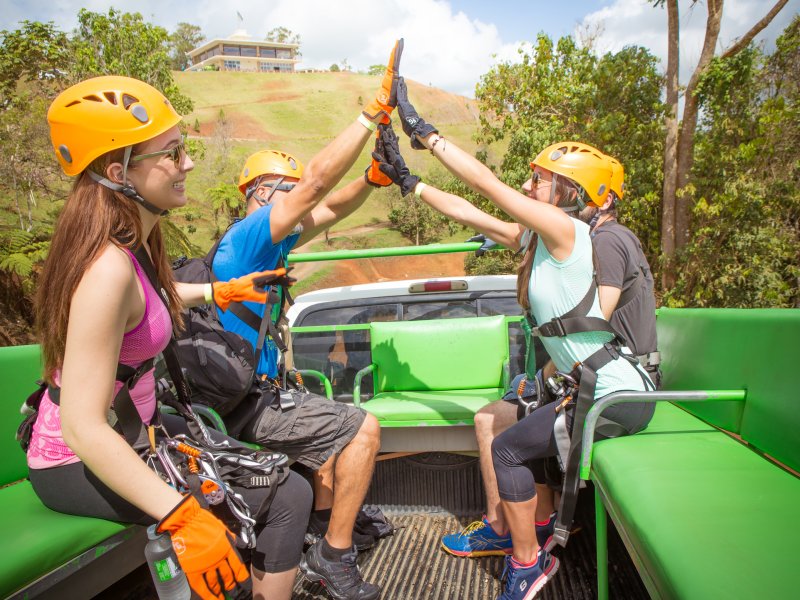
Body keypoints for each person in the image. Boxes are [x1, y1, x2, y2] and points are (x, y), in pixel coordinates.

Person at [27, 75, 314, 600]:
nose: (187, 164)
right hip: (78, 457)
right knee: (282, 499)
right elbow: (84, 429)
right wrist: (180, 516)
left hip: (141, 430)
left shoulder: (133, 241)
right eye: (172, 153)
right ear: (119, 173)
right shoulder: (104, 270)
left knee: (288, 489)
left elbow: (150, 300)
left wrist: (219, 290)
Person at [373, 80, 654, 599]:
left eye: (538, 180)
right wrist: (410, 182)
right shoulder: (543, 237)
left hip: (617, 395)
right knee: (503, 430)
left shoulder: (571, 234)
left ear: (571, 194)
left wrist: (423, 131)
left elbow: (487, 185)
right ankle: (524, 535)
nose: (527, 187)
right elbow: (469, 210)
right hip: (593, 389)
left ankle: (528, 564)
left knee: (506, 451)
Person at [210, 40, 405, 600]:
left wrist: (372, 180)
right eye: (287, 193)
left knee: (331, 425)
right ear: (261, 195)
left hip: (261, 390)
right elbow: (318, 185)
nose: (297, 202)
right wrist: (372, 113)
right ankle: (333, 555)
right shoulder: (249, 237)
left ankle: (324, 530)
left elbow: (330, 205)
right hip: (246, 405)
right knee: (363, 428)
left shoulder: (270, 245)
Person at [439, 153, 661, 560]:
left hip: (610, 380)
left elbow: (592, 323)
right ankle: (533, 521)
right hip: (598, 375)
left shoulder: (606, 240)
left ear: (598, 199)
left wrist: (547, 378)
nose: (529, 187)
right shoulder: (589, 236)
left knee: (497, 423)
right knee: (517, 409)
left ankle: (508, 529)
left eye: (541, 180)